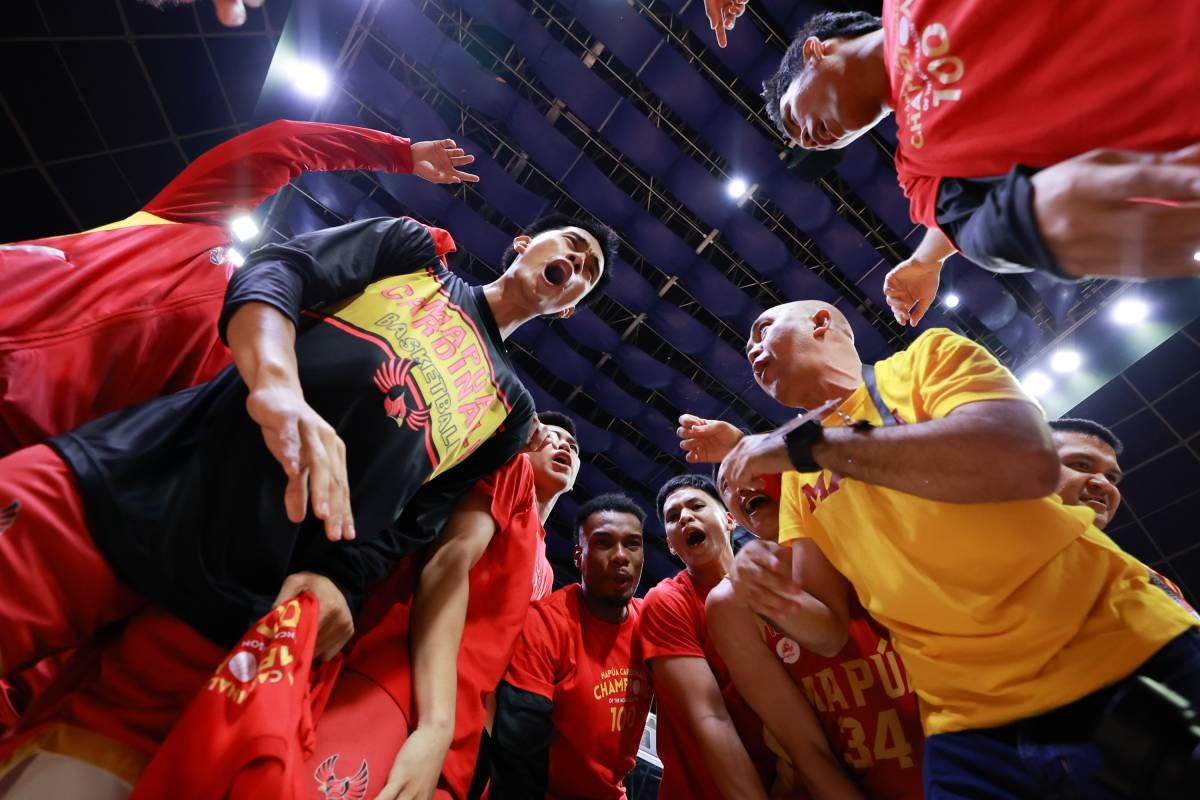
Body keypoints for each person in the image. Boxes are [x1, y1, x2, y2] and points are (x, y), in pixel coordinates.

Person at [0, 210, 616, 706]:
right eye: (573, 244)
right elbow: (279, 269)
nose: (578, 264)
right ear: (525, 242)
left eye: (588, 273)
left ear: (568, 309)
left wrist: (342, 585)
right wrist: (274, 381)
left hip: (238, 607)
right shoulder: (410, 253)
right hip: (137, 478)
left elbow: (413, 523)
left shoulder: (510, 414)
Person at [719, 299, 1199, 797]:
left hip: (1109, 653)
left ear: (822, 323)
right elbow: (827, 630)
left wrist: (811, 445)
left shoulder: (925, 359)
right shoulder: (800, 484)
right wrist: (774, 597)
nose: (752, 347)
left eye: (762, 328)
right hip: (966, 721)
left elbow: (1024, 457)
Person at [0, 118, 478, 456]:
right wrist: (398, 154)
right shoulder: (195, 222)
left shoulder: (247, 382)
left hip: (23, 446)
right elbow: (283, 145)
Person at [752, 8, 1200, 325]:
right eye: (802, 143)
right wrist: (1020, 230)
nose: (808, 140)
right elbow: (973, 225)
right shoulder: (918, 170)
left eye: (794, 117)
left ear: (815, 51)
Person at [310, 410, 583, 800]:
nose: (563, 446)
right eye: (553, 436)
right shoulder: (513, 469)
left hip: (467, 732)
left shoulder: (545, 570)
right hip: (404, 693)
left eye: (573, 447)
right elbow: (445, 565)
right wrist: (436, 724)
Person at [705, 460, 925, 800]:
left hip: (968, 761)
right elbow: (806, 750)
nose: (739, 488)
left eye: (750, 469)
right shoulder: (730, 603)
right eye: (725, 488)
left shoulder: (865, 535)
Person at [641, 474, 815, 799]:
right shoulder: (667, 600)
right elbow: (710, 716)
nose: (685, 517)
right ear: (669, 544)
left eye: (696, 506)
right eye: (672, 517)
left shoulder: (777, 580)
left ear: (730, 519)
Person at [489, 493, 650, 799]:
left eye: (632, 544)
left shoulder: (652, 624)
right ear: (579, 556)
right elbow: (518, 751)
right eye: (604, 543)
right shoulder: (545, 624)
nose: (620, 556)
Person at [1049, 417, 1197, 616]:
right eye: (1081, 465)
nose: (1105, 484)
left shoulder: (1153, 578)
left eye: (1111, 477)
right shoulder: (1002, 566)